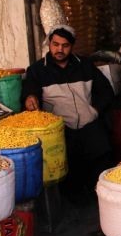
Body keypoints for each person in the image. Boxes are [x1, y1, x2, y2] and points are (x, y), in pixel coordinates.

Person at [22, 25, 115, 202]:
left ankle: (99, 199)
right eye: (55, 44)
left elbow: (106, 92)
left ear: (72, 46)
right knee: (69, 172)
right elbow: (29, 90)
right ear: (49, 44)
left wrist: (94, 111)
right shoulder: (37, 70)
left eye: (65, 45)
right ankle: (73, 203)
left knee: (102, 154)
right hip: (62, 129)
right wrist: (30, 97)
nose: (59, 49)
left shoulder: (85, 65)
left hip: (88, 124)